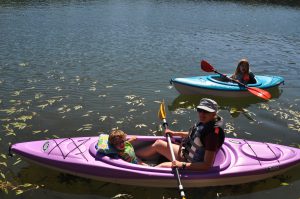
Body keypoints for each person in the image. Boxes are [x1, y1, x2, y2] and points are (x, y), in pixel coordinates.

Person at [136, 98, 225, 171]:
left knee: (161, 167)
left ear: (214, 113)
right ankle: (132, 156)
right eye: (200, 110)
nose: (202, 113)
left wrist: (181, 165)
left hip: (194, 165)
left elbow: (207, 165)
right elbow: (195, 135)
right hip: (185, 155)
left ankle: (142, 169)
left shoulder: (212, 135)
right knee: (158, 143)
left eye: (206, 111)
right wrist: (175, 133)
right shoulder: (205, 122)